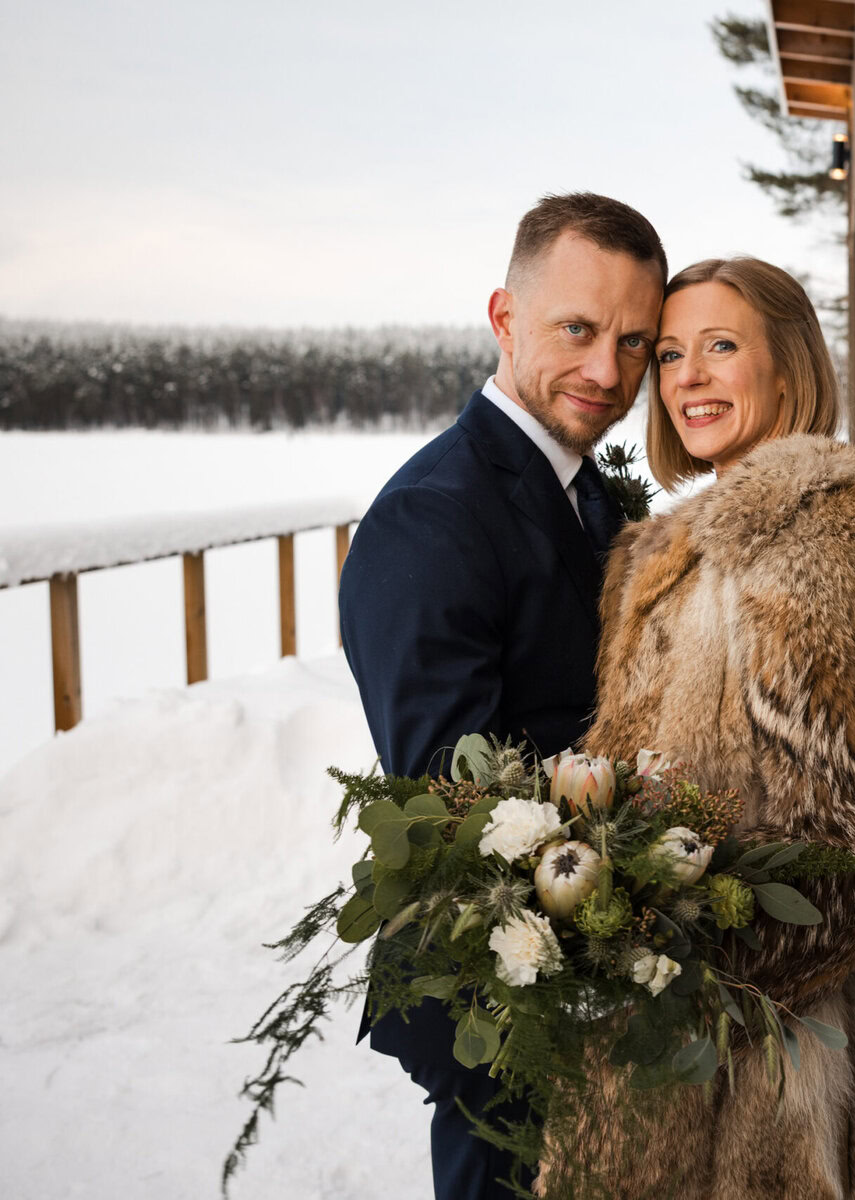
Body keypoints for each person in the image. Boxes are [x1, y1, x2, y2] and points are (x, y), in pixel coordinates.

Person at [551, 257, 855, 1199]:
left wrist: (673, 974)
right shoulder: (661, 547)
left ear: (788, 367)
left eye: (721, 347)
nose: (688, 377)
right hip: (661, 1048)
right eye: (669, 355)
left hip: (765, 1078)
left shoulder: (819, 528)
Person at [338, 192, 666, 1200]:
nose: (606, 371)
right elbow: (457, 801)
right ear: (504, 317)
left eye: (633, 342)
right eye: (577, 329)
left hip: (601, 995)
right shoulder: (434, 517)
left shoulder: (586, 489)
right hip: (507, 1008)